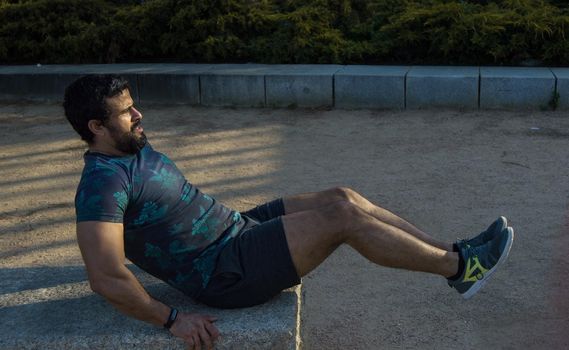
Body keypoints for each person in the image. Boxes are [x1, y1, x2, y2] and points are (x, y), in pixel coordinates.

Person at [63, 75, 514, 350]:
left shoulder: (130, 147)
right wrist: (173, 320)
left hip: (235, 230)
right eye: (126, 112)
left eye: (134, 104)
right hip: (225, 272)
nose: (139, 114)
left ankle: (455, 251)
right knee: (342, 217)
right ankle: (460, 268)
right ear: (96, 127)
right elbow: (104, 276)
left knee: (344, 195)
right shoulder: (102, 184)